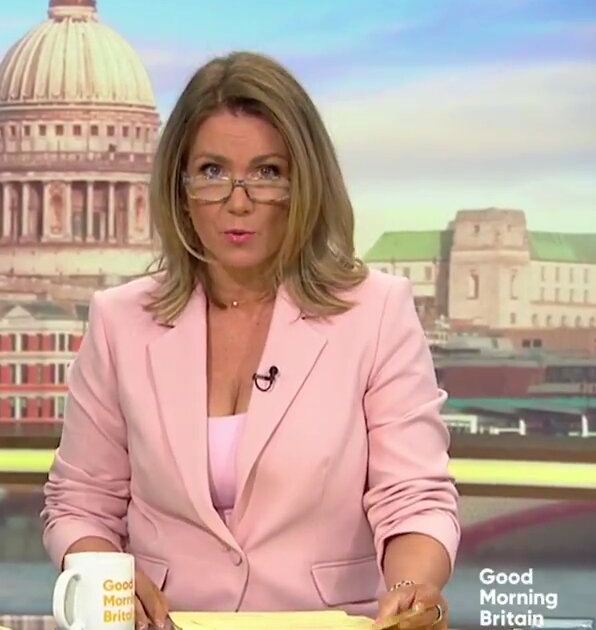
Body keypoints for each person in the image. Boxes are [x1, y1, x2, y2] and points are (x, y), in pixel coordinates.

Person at [41, 50, 460, 630]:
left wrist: (412, 589)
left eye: (267, 173)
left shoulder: (375, 311)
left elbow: (413, 496)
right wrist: (101, 573)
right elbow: (81, 502)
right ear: (180, 187)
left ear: (304, 183)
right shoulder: (120, 320)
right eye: (213, 172)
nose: (238, 202)